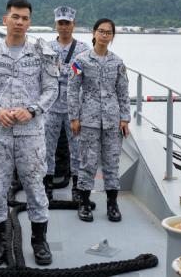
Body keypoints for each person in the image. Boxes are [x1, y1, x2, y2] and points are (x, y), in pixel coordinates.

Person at [0, 0, 59, 266]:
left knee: (34, 187)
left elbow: (51, 89)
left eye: (24, 18)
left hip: (31, 134)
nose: (19, 22)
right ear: (5, 19)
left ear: (29, 22)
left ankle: (39, 241)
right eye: (15, 17)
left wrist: (32, 110)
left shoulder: (42, 54)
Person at [68, 18, 130, 223]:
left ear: (112, 36)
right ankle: (84, 203)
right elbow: (72, 89)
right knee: (87, 161)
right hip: (88, 119)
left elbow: (123, 92)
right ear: (94, 33)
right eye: (101, 31)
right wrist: (74, 117)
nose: (104, 35)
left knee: (112, 162)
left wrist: (125, 118)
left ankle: (112, 204)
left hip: (112, 120)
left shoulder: (118, 62)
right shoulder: (81, 60)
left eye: (108, 32)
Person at [44, 6, 90, 201]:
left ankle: (77, 187)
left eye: (67, 23)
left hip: (74, 108)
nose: (64, 27)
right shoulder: (46, 47)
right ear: (56, 25)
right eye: (60, 23)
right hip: (51, 106)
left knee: (77, 148)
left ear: (73, 24)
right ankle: (46, 184)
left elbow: (84, 76)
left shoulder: (83, 49)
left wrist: (61, 70)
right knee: (47, 147)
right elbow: (43, 74)